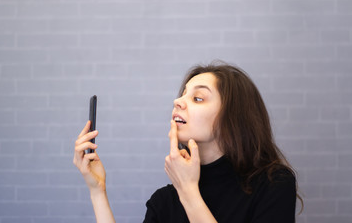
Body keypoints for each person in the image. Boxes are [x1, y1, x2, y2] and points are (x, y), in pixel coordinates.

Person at [73, 60, 302, 223]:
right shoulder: (164, 201)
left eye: (198, 98)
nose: (178, 101)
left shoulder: (273, 184)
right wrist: (97, 191)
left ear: (233, 117)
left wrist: (189, 192)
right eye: (182, 94)